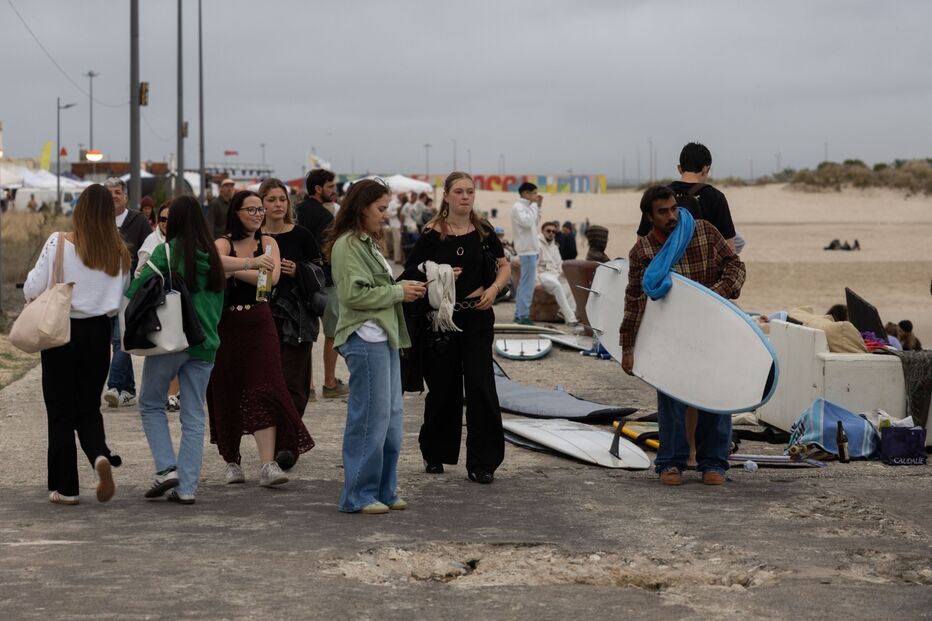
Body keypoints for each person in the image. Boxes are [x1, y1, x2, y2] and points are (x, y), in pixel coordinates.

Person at [621, 185, 746, 486]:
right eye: (662, 212)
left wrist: (712, 296)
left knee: (714, 394)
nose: (671, 216)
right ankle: (670, 463)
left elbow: (736, 267)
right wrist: (627, 346)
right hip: (670, 335)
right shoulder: (643, 251)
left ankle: (714, 463)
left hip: (711, 328)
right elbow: (634, 299)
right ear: (649, 217)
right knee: (672, 398)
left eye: (674, 208)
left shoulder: (703, 232)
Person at [24, 184, 131, 505]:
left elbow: (33, 287)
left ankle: (66, 488)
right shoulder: (120, 252)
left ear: (80, 209)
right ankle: (99, 457)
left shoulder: (59, 242)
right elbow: (117, 298)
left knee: (59, 412)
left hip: (61, 330)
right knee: (87, 407)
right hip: (98, 333)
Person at [403, 172, 511, 484]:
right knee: (443, 389)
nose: (466, 197)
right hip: (441, 321)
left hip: (478, 316)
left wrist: (494, 289)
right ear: (447, 196)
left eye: (470, 191)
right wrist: (440, 273)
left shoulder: (484, 231)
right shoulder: (432, 234)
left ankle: (482, 462)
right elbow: (411, 272)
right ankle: (434, 452)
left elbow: (504, 266)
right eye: (459, 192)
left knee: (481, 387)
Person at [328, 179, 425, 514]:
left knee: (391, 418)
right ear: (362, 207)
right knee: (369, 418)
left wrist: (402, 288)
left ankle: (383, 488)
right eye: (381, 209)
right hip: (365, 338)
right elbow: (353, 295)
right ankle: (358, 494)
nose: (386, 215)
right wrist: (399, 292)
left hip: (383, 336)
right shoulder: (347, 245)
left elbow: (373, 288)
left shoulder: (366, 243)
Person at [207, 190, 314, 487]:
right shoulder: (222, 242)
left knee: (265, 387)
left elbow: (272, 278)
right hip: (226, 326)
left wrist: (236, 267)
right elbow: (215, 266)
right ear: (236, 212)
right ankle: (232, 461)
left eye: (259, 211)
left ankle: (268, 464)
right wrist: (251, 265)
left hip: (259, 321)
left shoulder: (268, 242)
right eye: (251, 210)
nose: (257, 215)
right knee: (226, 389)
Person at [131, 195, 226, 504]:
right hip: (206, 344)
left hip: (171, 341)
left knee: (150, 403)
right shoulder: (213, 256)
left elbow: (135, 291)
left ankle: (166, 467)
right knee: (194, 414)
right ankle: (186, 488)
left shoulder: (166, 253)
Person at [259, 178, 323, 455]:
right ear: (260, 204)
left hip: (296, 316)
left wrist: (299, 270)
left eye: (281, 199)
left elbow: (322, 272)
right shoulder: (253, 235)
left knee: (294, 382)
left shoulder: (302, 235)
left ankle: (287, 444)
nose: (277, 204)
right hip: (261, 315)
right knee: (265, 381)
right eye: (271, 199)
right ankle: (273, 440)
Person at [295, 169, 348, 399]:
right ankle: (329, 383)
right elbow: (327, 249)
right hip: (324, 279)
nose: (333, 192)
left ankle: (308, 386)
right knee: (332, 332)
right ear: (318, 189)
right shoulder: (325, 216)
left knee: (305, 334)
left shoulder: (297, 210)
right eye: (330, 187)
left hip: (298, 278)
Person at [638, 143, 738, 253]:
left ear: (679, 168)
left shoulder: (657, 196)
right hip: (702, 266)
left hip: (663, 267)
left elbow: (640, 243)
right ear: (706, 169)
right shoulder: (716, 197)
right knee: (739, 239)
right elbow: (730, 248)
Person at [103, 176, 151, 408]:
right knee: (115, 338)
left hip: (129, 288)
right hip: (103, 289)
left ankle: (113, 385)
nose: (113, 197)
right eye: (109, 193)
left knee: (119, 338)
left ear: (125, 196)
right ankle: (129, 389)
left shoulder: (138, 220)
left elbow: (147, 252)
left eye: (117, 192)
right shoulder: (99, 221)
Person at [511, 181, 543, 325]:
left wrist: (538, 207)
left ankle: (519, 314)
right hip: (527, 250)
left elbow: (535, 224)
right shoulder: (518, 207)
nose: (536, 196)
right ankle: (523, 315)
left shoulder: (527, 207)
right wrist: (535, 205)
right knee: (527, 284)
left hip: (531, 249)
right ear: (525, 194)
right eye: (534, 193)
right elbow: (528, 222)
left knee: (524, 283)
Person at [537, 221, 579, 326]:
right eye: (548, 231)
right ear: (542, 231)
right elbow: (534, 266)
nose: (551, 233)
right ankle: (571, 319)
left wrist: (562, 271)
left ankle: (564, 311)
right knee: (557, 286)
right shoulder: (537, 245)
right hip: (543, 274)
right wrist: (536, 281)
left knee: (572, 282)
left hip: (555, 273)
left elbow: (559, 262)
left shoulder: (554, 246)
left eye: (553, 232)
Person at [136, 202, 170, 273]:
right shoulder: (151, 240)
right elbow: (139, 273)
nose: (166, 223)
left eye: (170, 219)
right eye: (163, 219)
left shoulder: (183, 241)